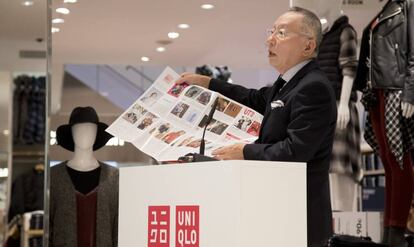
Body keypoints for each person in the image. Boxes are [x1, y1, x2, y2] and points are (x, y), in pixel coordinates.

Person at [176, 7, 337, 247]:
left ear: (308, 46)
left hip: (298, 214)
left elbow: (296, 151)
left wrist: (245, 151)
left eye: (281, 33)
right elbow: (253, 99)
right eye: (271, 31)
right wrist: (208, 83)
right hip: (274, 208)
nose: (270, 39)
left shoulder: (314, 87)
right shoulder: (286, 83)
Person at [293, 0, 362, 212]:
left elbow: (349, 67)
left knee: (341, 168)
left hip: (339, 106)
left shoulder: (346, 31)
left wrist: (343, 103)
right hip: (322, 109)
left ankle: (346, 226)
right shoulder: (322, 34)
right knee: (325, 167)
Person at [355, 0, 414, 246]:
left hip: (395, 90)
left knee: (400, 161)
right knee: (389, 161)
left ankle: (397, 231)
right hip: (377, 92)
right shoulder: (382, 11)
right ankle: (389, 230)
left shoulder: (408, 5)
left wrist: (410, 93)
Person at [50, 106, 118, 247]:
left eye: (90, 128)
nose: (85, 133)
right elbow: (49, 226)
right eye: (79, 128)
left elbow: (118, 225)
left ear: (97, 133)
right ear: (71, 133)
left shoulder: (114, 177)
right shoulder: (53, 176)